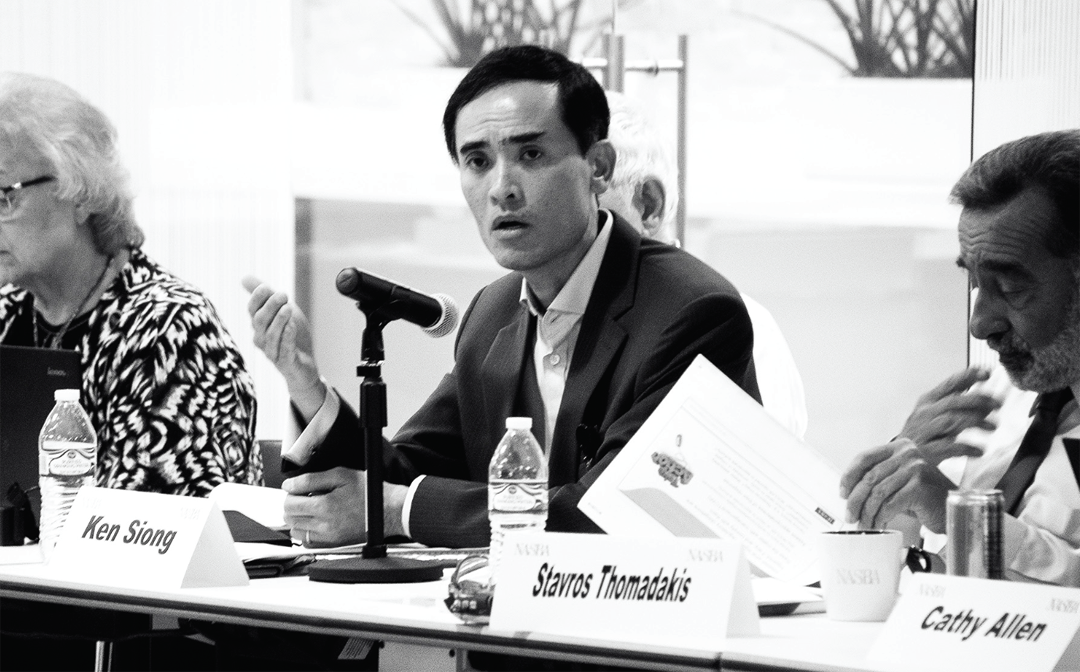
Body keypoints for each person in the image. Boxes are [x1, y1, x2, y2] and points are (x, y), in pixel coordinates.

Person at [246, 45, 760, 550]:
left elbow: (610, 515)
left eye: (530, 155)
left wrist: (398, 510)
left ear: (599, 166)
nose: (502, 188)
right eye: (478, 161)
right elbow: (403, 474)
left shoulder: (694, 311)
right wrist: (306, 383)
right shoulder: (492, 313)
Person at [0, 72, 261, 496]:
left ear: (79, 193)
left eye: (4, 196)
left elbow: (152, 521)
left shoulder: (168, 330)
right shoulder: (8, 314)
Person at [840, 128, 1080, 585]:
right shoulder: (999, 396)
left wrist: (963, 517)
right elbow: (939, 573)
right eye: (974, 282)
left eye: (1010, 287)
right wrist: (897, 483)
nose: (979, 324)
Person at [598, 91, 808, 438]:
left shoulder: (740, 330)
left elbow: (751, 467)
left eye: (585, 209)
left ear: (648, 204)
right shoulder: (532, 321)